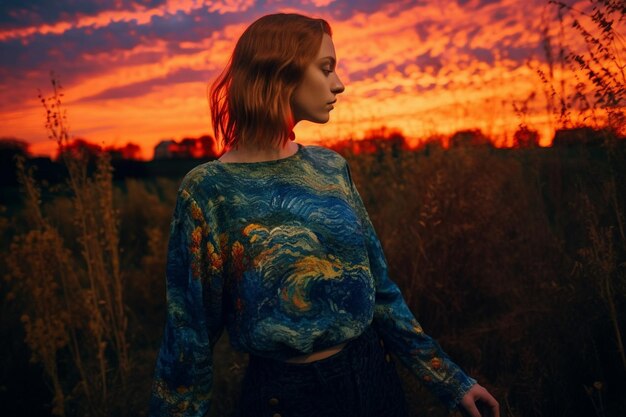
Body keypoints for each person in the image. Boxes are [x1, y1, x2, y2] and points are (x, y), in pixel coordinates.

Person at [148, 12, 500, 417]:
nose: (339, 84)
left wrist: (450, 381)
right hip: (284, 398)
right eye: (325, 68)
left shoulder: (330, 169)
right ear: (280, 70)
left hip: (374, 379)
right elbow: (188, 337)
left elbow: (381, 293)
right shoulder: (208, 190)